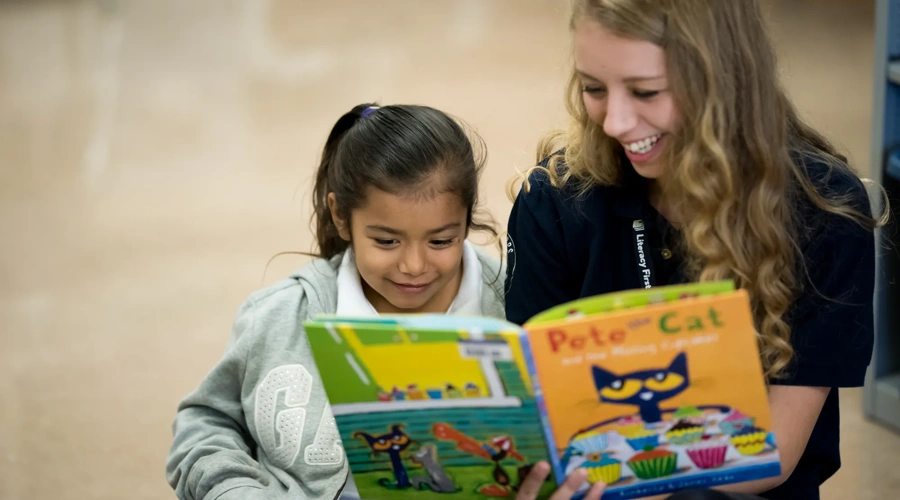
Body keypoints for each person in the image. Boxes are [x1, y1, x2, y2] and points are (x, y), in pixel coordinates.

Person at [505, 1, 885, 499]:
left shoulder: (824, 211)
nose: (616, 122)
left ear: (725, 81)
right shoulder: (552, 199)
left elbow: (769, 452)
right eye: (593, 88)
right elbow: (534, 415)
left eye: (646, 91)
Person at [165, 103, 509, 500]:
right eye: (386, 241)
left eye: (440, 241)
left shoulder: (514, 303)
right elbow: (206, 422)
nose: (414, 266)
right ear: (341, 217)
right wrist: (233, 490)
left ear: (466, 220)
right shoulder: (278, 316)